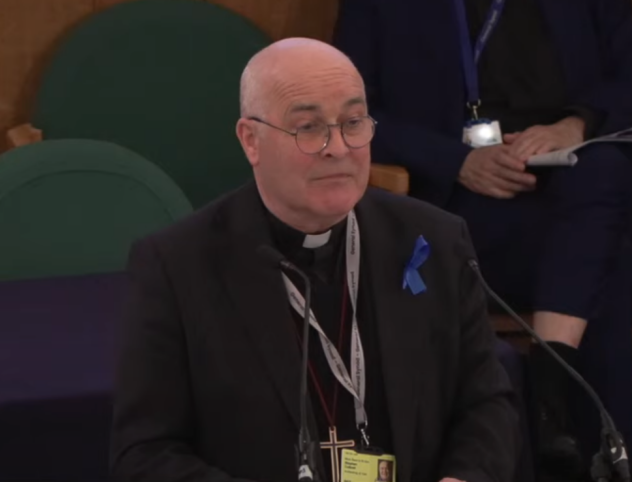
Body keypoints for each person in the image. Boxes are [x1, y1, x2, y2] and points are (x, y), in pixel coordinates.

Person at [109, 38, 520, 482]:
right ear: (251, 140)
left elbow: (486, 403)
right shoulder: (177, 265)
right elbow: (144, 454)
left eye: (353, 122)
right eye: (308, 127)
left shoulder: (434, 239)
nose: (337, 147)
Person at [333, 0, 632, 478]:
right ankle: (577, 432)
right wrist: (456, 162)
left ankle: (552, 406)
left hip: (576, 194)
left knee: (604, 178)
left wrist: (577, 124)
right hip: (456, 206)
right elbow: (348, 115)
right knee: (615, 273)